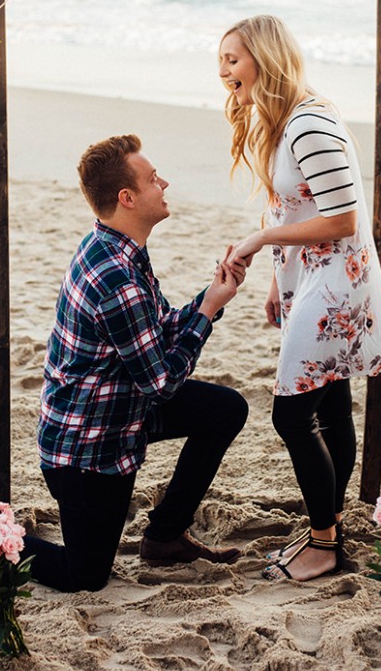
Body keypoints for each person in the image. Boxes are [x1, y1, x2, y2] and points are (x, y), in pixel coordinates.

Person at [218, 15, 381, 583]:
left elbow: (343, 218)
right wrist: (280, 278)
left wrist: (260, 240)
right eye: (220, 61)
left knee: (291, 414)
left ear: (266, 59)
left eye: (233, 59)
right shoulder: (283, 121)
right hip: (314, 283)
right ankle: (332, 525)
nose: (224, 72)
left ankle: (323, 545)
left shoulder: (308, 123)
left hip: (337, 286)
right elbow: (295, 205)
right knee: (331, 406)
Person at [24, 134, 249, 592]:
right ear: (127, 198)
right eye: (152, 179)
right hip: (87, 450)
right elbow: (162, 383)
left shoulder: (118, 248)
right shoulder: (116, 277)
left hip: (121, 414)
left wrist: (213, 295)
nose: (163, 183)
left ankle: (165, 535)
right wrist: (206, 314)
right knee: (84, 576)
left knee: (226, 409)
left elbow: (159, 328)